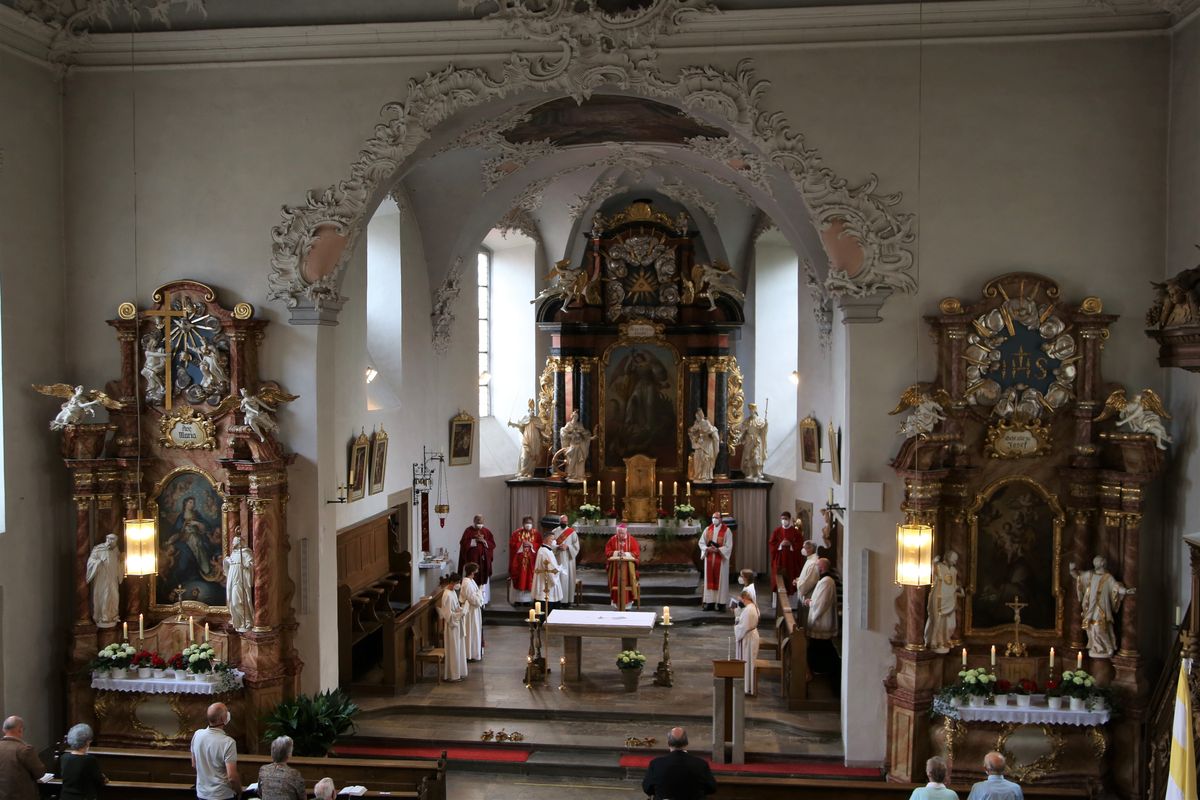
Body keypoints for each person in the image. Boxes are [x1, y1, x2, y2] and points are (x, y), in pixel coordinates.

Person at [1070, 555, 1134, 658]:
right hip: (1090, 607)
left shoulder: (1108, 577)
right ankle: (1096, 647)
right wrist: (1072, 570)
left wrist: (1126, 591)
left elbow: (1116, 587)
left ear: (1102, 564)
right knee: (1091, 628)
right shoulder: (1090, 575)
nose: (1096, 564)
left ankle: (1108, 647)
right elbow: (1078, 577)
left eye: (1098, 562)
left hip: (1102, 607)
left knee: (1099, 628)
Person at [641, 727, 717, 800]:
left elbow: (647, 789)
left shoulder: (656, 764)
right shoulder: (701, 764)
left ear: (668, 743)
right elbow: (712, 788)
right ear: (687, 742)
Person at [803, 558, 841, 696]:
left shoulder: (827, 582)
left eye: (817, 567)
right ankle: (819, 671)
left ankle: (822, 673)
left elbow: (821, 604)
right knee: (820, 648)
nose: (816, 569)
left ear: (822, 568)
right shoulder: (825, 581)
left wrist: (811, 609)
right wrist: (812, 602)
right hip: (820, 622)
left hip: (821, 623)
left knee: (823, 649)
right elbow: (819, 600)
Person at [190, 702, 241, 800]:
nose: (228, 713)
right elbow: (232, 777)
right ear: (223, 719)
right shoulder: (228, 742)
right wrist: (239, 791)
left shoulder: (197, 735)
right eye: (226, 711)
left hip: (202, 794)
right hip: (222, 795)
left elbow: (194, 764)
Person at [925, 552, 964, 654]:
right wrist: (933, 563)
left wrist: (959, 589)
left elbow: (954, 585)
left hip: (950, 599)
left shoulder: (954, 570)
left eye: (956, 559)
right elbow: (932, 576)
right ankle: (934, 641)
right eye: (954, 559)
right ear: (947, 557)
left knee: (950, 624)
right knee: (937, 621)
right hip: (939, 597)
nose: (955, 561)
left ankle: (945, 640)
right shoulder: (939, 566)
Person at [0, 716, 45, 800]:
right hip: (21, 796)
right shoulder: (25, 749)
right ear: (20, 730)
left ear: (3, 730)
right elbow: (39, 773)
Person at [767, 511, 804, 606]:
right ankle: (777, 604)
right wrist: (780, 545)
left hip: (791, 561)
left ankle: (792, 605)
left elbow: (800, 544)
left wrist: (791, 545)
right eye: (782, 519)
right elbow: (771, 543)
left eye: (786, 519)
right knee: (778, 579)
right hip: (779, 560)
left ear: (790, 519)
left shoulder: (795, 532)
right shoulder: (777, 531)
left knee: (791, 579)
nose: (784, 521)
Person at [458, 515, 496, 605]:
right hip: (473, 561)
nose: (480, 524)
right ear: (474, 521)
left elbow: (492, 544)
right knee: (473, 578)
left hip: (484, 561)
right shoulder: (468, 531)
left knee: (483, 581)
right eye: (478, 522)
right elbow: (463, 544)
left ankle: (483, 600)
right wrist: (474, 540)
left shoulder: (486, 531)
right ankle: (472, 600)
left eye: (481, 523)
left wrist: (484, 541)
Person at [85, 533, 121, 628]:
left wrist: (122, 561)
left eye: (114, 540)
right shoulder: (98, 549)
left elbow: (119, 563)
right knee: (103, 596)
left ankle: (112, 615)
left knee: (114, 596)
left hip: (112, 578)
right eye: (110, 539)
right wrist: (97, 563)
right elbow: (91, 561)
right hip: (102, 578)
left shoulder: (116, 550)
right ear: (107, 539)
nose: (112, 542)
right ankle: (103, 616)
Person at [508, 398, 549, 478]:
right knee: (524, 457)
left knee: (533, 458)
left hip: (535, 441)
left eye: (533, 410)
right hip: (527, 440)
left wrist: (547, 436)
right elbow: (519, 425)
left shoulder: (537, 420)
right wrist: (511, 423)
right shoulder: (525, 419)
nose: (532, 412)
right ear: (528, 411)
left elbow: (542, 429)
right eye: (530, 410)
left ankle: (530, 472)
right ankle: (522, 472)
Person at [699, 513, 732, 612]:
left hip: (720, 561)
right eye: (713, 517)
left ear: (721, 519)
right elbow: (701, 542)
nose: (714, 519)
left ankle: (721, 604)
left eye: (716, 518)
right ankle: (710, 603)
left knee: (721, 581)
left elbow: (728, 545)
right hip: (709, 558)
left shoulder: (727, 531)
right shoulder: (708, 529)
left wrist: (718, 550)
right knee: (709, 580)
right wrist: (706, 548)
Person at [605, 523, 641, 609]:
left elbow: (636, 553)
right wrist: (617, 553)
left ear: (626, 532)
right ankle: (616, 604)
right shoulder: (612, 540)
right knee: (615, 583)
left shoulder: (631, 540)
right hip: (615, 567)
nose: (621, 535)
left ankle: (628, 605)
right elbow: (607, 552)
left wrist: (626, 554)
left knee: (628, 583)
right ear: (617, 532)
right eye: (619, 533)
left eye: (623, 533)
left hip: (628, 569)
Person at [256, 736, 305, 800]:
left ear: (272, 752)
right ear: (289, 754)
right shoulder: (294, 774)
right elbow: (302, 798)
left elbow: (260, 793)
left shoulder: (263, 769)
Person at [439, 573, 468, 681]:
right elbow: (447, 615)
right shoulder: (446, 594)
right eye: (458, 583)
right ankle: (452, 675)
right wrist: (458, 615)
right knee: (453, 650)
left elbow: (455, 607)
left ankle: (458, 672)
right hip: (452, 626)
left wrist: (461, 610)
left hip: (457, 625)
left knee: (458, 648)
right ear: (452, 582)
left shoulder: (452, 592)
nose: (459, 585)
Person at [508, 517, 541, 607]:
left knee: (529, 579)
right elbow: (512, 545)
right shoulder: (516, 533)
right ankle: (517, 600)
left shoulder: (536, 534)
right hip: (519, 563)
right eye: (526, 522)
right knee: (519, 579)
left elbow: (540, 545)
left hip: (531, 562)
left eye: (530, 522)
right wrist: (521, 544)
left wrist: (532, 545)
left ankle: (527, 600)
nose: (528, 524)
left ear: (533, 523)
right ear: (523, 523)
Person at [224, 535, 254, 633]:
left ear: (239, 542)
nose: (232, 543)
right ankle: (239, 622)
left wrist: (246, 566)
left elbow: (251, 564)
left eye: (234, 541)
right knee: (232, 601)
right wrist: (227, 560)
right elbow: (227, 565)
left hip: (240, 579)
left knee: (238, 601)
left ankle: (247, 621)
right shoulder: (234, 553)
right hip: (232, 578)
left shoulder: (245, 552)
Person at [733, 588, 760, 696]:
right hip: (751, 636)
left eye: (742, 599)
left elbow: (743, 627)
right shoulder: (752, 607)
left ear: (745, 598)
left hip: (748, 638)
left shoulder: (749, 609)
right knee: (749, 662)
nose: (742, 602)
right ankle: (747, 685)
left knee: (748, 662)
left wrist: (736, 627)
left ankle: (747, 687)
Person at [552, 514, 580, 606]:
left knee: (567, 580)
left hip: (568, 560)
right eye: (562, 521)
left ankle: (567, 601)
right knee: (558, 580)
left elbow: (576, 546)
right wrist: (557, 547)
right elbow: (551, 545)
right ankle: (558, 600)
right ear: (559, 522)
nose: (564, 523)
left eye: (565, 521)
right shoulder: (554, 531)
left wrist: (568, 547)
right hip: (558, 559)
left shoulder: (572, 532)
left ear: (567, 522)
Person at [460, 563, 484, 662]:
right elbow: (473, 599)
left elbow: (477, 594)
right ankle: (469, 654)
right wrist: (479, 595)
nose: (476, 573)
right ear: (472, 572)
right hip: (470, 611)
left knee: (475, 631)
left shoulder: (471, 581)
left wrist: (479, 594)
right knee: (471, 632)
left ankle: (474, 653)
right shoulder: (466, 583)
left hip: (474, 611)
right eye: (475, 571)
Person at [687, 409, 720, 483]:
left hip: (706, 445)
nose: (697, 418)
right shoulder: (696, 423)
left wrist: (707, 434)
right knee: (697, 459)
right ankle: (698, 475)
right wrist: (692, 434)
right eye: (696, 416)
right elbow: (692, 431)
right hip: (699, 445)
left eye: (697, 416)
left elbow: (712, 431)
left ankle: (705, 476)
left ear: (700, 415)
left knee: (705, 459)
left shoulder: (706, 423)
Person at [739, 403, 767, 481]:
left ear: (755, 410)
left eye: (752, 409)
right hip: (748, 440)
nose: (751, 411)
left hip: (756, 440)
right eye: (750, 410)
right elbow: (743, 431)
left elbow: (763, 431)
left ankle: (758, 472)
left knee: (756, 456)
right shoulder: (747, 421)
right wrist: (740, 437)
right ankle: (750, 473)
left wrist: (766, 425)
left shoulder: (760, 420)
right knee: (748, 457)